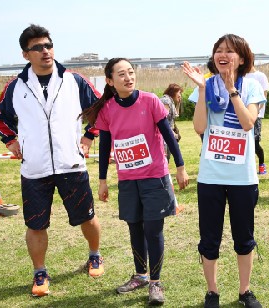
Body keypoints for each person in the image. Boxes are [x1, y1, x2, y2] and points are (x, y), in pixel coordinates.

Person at [0, 24, 104, 297]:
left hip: (71, 164)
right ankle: (40, 273)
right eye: (38, 47)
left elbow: (100, 108)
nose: (45, 51)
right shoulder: (15, 87)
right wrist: (11, 141)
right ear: (25, 54)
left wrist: (89, 136)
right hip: (35, 168)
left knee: (86, 217)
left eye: (48, 45)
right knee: (35, 224)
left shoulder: (73, 80)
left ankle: (94, 255)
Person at [81, 58, 189, 305]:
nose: (128, 77)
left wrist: (180, 167)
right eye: (121, 74)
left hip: (155, 177)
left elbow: (168, 136)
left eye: (131, 72)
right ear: (110, 81)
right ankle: (140, 275)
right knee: (134, 228)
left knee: (153, 229)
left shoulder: (150, 100)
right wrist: (102, 181)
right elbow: (106, 144)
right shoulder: (107, 109)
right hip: (128, 180)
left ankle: (155, 282)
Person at [182, 34, 266, 308]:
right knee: (209, 238)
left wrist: (232, 90)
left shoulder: (252, 86)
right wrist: (205, 91)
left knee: (244, 237)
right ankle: (212, 291)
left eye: (230, 51)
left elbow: (247, 123)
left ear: (241, 58)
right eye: (219, 50)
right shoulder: (205, 85)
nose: (223, 54)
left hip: (242, 177)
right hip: (211, 176)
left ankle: (245, 291)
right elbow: (199, 128)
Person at [246, 62, 269, 174]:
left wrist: (257, 109)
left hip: (256, 114)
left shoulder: (260, 76)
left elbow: (264, 95)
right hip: (243, 115)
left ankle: (261, 164)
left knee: (255, 142)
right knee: (244, 142)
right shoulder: (242, 75)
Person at [160, 83, 183, 162]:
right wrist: (173, 133)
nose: (180, 95)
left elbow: (176, 115)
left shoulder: (170, 101)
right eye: (179, 92)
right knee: (164, 159)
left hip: (167, 134)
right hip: (163, 135)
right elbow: (163, 119)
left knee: (167, 158)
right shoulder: (166, 101)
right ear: (173, 92)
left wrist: (178, 103)